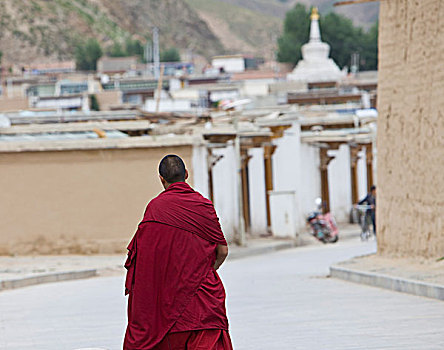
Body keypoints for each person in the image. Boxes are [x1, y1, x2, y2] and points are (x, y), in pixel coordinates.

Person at [123, 155, 232, 350]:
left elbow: (144, 260)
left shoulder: (155, 208)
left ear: (161, 179)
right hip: (201, 299)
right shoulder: (203, 205)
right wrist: (205, 271)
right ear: (186, 175)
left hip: (166, 301)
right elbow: (222, 250)